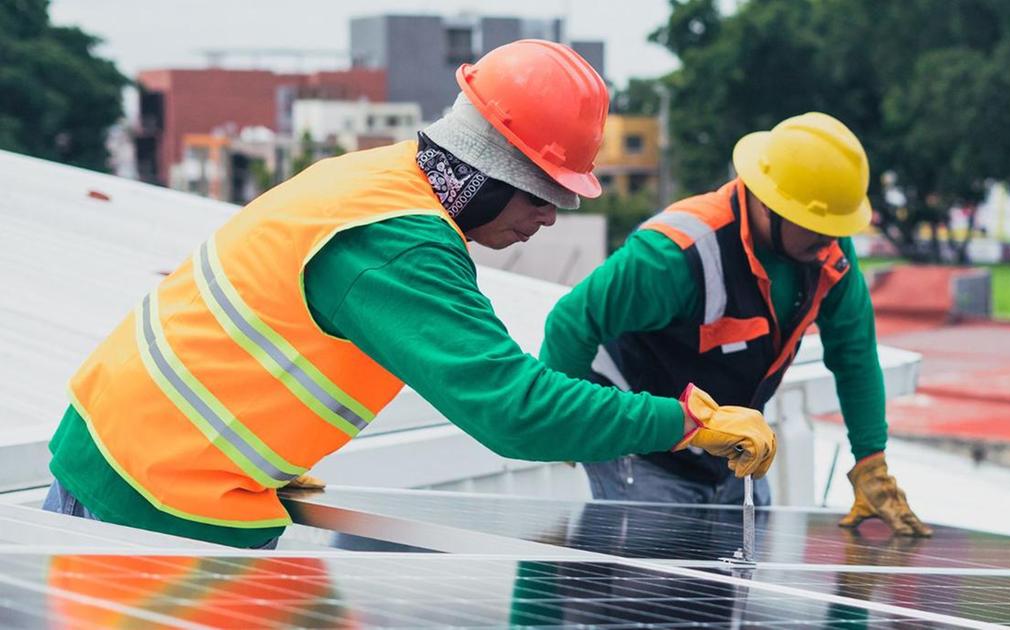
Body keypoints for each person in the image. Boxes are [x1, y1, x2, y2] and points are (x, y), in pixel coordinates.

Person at [41, 40, 776, 549]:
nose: (550, 216)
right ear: (492, 167)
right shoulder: (398, 243)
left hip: (138, 458)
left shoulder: (376, 178)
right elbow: (513, 412)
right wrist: (685, 421)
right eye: (545, 193)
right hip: (151, 496)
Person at [540, 112, 932, 536]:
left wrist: (871, 461)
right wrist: (566, 426)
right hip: (644, 451)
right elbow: (571, 322)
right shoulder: (676, 253)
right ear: (768, 204)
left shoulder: (827, 257)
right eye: (818, 226)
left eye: (837, 228)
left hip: (732, 452)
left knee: (731, 587)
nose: (831, 241)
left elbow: (854, 355)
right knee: (654, 584)